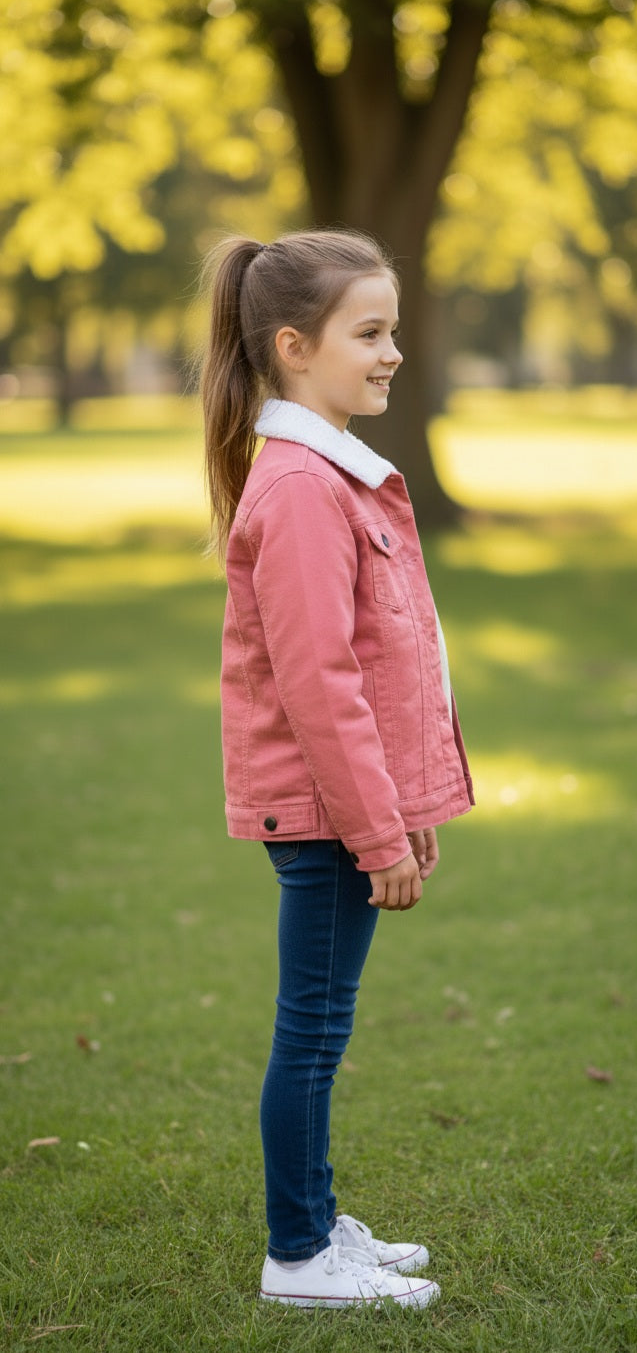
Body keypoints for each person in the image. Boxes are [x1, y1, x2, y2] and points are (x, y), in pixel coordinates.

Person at [200, 229, 475, 1309]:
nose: (392, 352)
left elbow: (384, 662)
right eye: (369, 332)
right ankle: (299, 1256)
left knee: (320, 1027)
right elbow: (321, 685)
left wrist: (405, 808)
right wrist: (373, 829)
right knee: (309, 1035)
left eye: (392, 329)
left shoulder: (329, 473)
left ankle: (311, 1219)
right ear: (293, 346)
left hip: (344, 809)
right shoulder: (306, 491)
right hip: (322, 818)